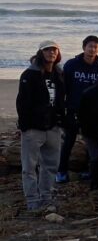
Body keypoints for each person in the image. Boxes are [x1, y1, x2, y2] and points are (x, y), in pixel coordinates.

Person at [16, 40, 65, 212]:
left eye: (54, 50)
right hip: (33, 128)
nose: (51, 53)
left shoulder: (59, 73)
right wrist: (25, 126)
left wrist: (60, 122)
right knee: (29, 167)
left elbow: (60, 101)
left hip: (53, 127)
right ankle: (32, 201)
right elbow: (22, 102)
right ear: (41, 53)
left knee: (51, 165)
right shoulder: (29, 75)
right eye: (47, 50)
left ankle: (46, 197)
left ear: (58, 53)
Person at [57, 35, 98, 182]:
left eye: (95, 47)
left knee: (90, 142)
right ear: (84, 47)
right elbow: (63, 87)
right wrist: (63, 108)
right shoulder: (71, 65)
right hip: (73, 109)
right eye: (90, 46)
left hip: (92, 112)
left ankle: (86, 170)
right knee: (69, 141)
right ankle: (61, 171)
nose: (92, 49)